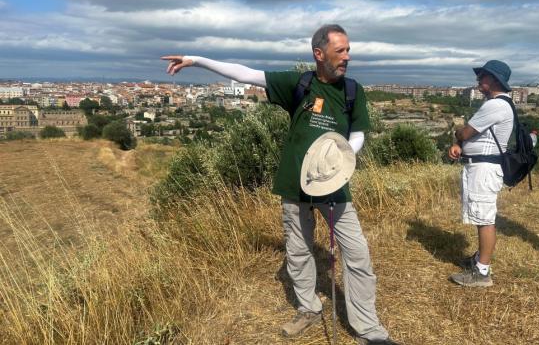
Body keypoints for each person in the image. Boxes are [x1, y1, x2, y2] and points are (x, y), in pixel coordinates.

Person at [162, 24, 392, 345]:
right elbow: (246, 75)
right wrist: (196, 59)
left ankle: (369, 329)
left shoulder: (353, 90)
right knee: (298, 252)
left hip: (334, 187)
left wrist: (341, 158)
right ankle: (309, 309)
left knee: (357, 254)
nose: (347, 57)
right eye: (340, 51)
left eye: (348, 50)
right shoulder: (298, 83)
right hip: (294, 184)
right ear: (319, 54)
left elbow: (358, 133)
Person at [448, 60, 514, 287]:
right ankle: (479, 260)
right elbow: (470, 136)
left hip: (484, 169)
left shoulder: (495, 106)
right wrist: (460, 143)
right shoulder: (499, 104)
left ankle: (482, 272)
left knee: (485, 219)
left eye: (482, 76)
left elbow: (466, 131)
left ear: (494, 80)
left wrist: (458, 134)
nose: (478, 80)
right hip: (483, 167)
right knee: (481, 216)